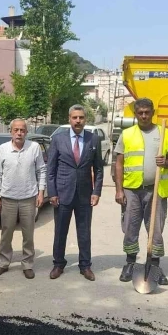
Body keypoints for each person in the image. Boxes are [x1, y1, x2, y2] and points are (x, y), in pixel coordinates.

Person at [114, 98, 168, 284]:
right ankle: (130, 263)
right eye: (140, 112)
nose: (143, 115)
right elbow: (119, 163)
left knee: (155, 229)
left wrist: (165, 162)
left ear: (153, 112)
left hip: (156, 190)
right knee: (130, 227)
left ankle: (155, 265)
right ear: (135, 113)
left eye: (147, 112)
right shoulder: (126, 134)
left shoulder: (165, 134)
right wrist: (119, 190)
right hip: (131, 190)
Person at [48, 105, 104, 281]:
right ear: (69, 119)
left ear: (85, 119)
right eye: (74, 118)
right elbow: (51, 169)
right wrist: (52, 193)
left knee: (84, 231)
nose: (78, 121)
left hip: (85, 195)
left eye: (81, 117)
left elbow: (99, 169)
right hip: (63, 193)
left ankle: (85, 266)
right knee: (60, 232)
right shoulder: (58, 139)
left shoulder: (93, 140)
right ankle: (58, 264)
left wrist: (96, 192)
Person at [0, 119, 47, 279]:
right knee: (6, 233)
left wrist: (41, 192)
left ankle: (28, 264)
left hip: (28, 198)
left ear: (26, 132)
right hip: (7, 198)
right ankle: (3, 262)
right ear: (11, 132)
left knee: (28, 234)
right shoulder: (3, 149)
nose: (19, 133)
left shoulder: (34, 148)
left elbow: (41, 170)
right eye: (16, 130)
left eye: (22, 130)